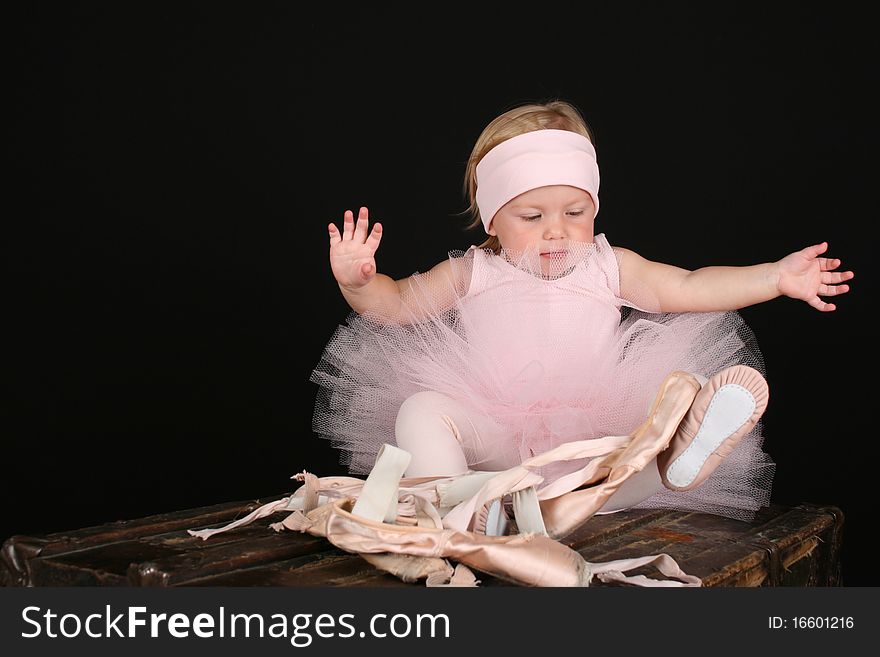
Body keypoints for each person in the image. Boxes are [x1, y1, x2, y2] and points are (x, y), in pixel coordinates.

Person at [311, 100, 853, 522]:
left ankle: (670, 459)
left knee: (648, 427)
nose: (557, 230)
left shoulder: (607, 266)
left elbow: (691, 285)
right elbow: (397, 306)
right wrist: (358, 282)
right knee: (422, 411)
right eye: (532, 215)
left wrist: (776, 277)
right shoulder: (473, 272)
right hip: (494, 443)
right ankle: (454, 510)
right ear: (492, 219)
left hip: (588, 439)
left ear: (594, 206)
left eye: (575, 212)